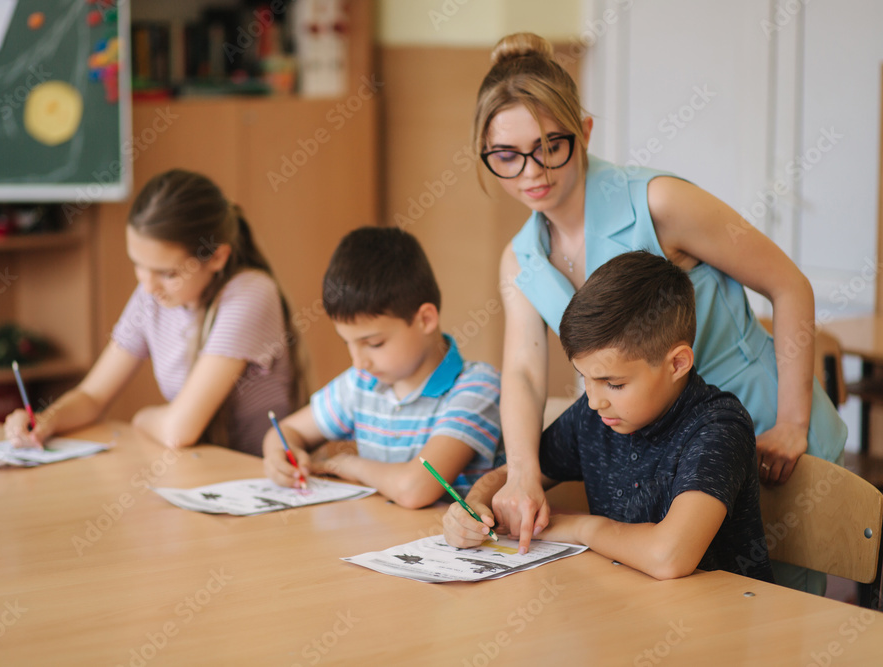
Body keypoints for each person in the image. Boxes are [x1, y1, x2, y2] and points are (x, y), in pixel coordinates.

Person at [475, 32, 845, 592]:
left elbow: (788, 285)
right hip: (655, 455)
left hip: (766, 433)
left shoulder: (659, 202)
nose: (533, 171)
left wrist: (793, 422)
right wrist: (522, 472)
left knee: (778, 611)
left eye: (552, 144)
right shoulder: (520, 260)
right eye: (507, 156)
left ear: (586, 130)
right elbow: (524, 373)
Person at [444, 251, 774, 582]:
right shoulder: (597, 415)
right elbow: (511, 476)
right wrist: (473, 509)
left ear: (677, 364)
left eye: (613, 383)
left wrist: (579, 526)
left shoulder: (718, 428)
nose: (593, 401)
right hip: (628, 607)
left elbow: (669, 556)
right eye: (584, 378)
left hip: (719, 620)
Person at [5, 169, 305, 456]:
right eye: (138, 264)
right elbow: (93, 396)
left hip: (255, 481)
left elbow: (178, 431)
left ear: (216, 258)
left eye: (168, 273)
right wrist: (48, 419)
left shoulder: (250, 293)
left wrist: (141, 418)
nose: (147, 287)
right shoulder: (155, 295)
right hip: (200, 476)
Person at [262, 226, 502, 509]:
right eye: (347, 344)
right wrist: (281, 456)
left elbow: (415, 488)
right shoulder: (361, 383)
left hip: (448, 546)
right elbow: (286, 430)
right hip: (378, 543)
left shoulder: (477, 387)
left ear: (425, 319)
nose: (358, 362)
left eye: (374, 344)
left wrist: (349, 465)